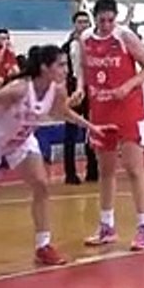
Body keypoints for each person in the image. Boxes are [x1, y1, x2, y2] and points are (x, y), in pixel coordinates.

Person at [0, 45, 111, 270]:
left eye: (66, 64)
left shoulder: (57, 90)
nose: (66, 69)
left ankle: (43, 246)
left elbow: (61, 112)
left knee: (42, 185)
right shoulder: (19, 89)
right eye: (61, 65)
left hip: (20, 141)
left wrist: (91, 127)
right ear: (45, 68)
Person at [81, 0, 144, 251]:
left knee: (134, 169)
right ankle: (106, 226)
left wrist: (128, 85)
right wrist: (81, 91)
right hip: (101, 110)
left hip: (128, 110)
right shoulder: (86, 40)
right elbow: (85, 70)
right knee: (105, 171)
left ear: (116, 18)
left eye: (110, 20)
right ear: (95, 18)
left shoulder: (125, 37)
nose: (106, 25)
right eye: (101, 20)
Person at [63, 11, 98, 185]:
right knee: (71, 132)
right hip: (73, 91)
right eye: (79, 22)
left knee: (91, 130)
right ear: (74, 24)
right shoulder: (67, 46)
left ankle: (93, 169)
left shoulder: (95, 45)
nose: (83, 25)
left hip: (91, 91)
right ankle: (70, 173)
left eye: (86, 22)